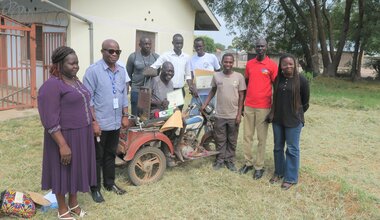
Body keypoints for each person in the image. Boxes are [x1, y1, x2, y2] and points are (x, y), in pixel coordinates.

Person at [38, 46, 96, 219]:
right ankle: (62, 209)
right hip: (63, 137)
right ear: (60, 64)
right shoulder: (52, 85)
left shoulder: (75, 81)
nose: (76, 66)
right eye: (71, 64)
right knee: (62, 171)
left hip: (82, 134)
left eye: (77, 63)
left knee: (77, 170)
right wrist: (62, 144)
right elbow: (49, 118)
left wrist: (93, 123)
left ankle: (74, 203)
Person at [83, 39, 129, 203]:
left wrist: (125, 115)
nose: (114, 54)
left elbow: (124, 94)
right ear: (102, 51)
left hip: (116, 122)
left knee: (111, 154)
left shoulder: (122, 71)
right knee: (97, 157)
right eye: (110, 51)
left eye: (117, 51)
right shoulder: (93, 71)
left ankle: (110, 183)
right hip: (100, 124)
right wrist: (94, 122)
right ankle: (95, 188)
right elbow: (88, 100)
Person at [266, 53, 310, 190]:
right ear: (281, 66)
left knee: (292, 149)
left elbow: (305, 102)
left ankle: (290, 177)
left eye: (291, 63)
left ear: (295, 64)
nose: (288, 66)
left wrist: (296, 113)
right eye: (285, 64)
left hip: (294, 120)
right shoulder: (278, 79)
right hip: (278, 119)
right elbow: (276, 98)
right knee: (278, 147)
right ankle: (279, 172)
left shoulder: (301, 80)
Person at [239, 38, 278, 180]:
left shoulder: (272, 65)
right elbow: (247, 83)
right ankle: (248, 163)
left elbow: (276, 87)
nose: (260, 48)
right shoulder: (249, 64)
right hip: (249, 105)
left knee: (261, 138)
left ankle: (259, 166)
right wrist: (242, 104)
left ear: (266, 47)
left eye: (262, 46)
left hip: (264, 108)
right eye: (257, 46)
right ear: (255, 48)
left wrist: (273, 110)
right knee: (247, 136)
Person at [202, 53, 246, 171]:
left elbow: (242, 96)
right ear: (222, 62)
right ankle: (220, 160)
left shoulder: (239, 77)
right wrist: (205, 103)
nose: (228, 64)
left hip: (233, 115)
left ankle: (230, 160)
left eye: (230, 62)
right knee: (220, 139)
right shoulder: (217, 76)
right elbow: (213, 91)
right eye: (225, 62)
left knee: (232, 140)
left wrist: (239, 114)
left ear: (233, 63)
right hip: (220, 114)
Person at [150, 34, 191, 105]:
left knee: (177, 113)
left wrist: (191, 86)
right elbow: (154, 67)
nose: (179, 45)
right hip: (167, 89)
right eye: (177, 43)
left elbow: (188, 75)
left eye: (181, 43)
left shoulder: (187, 57)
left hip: (180, 90)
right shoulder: (166, 55)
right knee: (166, 112)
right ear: (173, 43)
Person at [127, 36, 159, 115]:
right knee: (135, 114)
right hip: (136, 90)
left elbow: (159, 73)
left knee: (147, 114)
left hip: (151, 91)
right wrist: (133, 84)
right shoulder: (133, 56)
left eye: (149, 44)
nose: (148, 46)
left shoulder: (156, 57)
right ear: (140, 45)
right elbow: (128, 74)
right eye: (145, 44)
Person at [188, 37, 221, 114]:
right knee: (193, 115)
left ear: (204, 46)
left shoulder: (211, 57)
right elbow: (190, 75)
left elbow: (218, 70)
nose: (198, 48)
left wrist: (214, 82)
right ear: (194, 47)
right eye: (196, 46)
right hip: (197, 94)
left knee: (209, 117)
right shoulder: (191, 59)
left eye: (200, 46)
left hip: (210, 93)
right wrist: (192, 87)